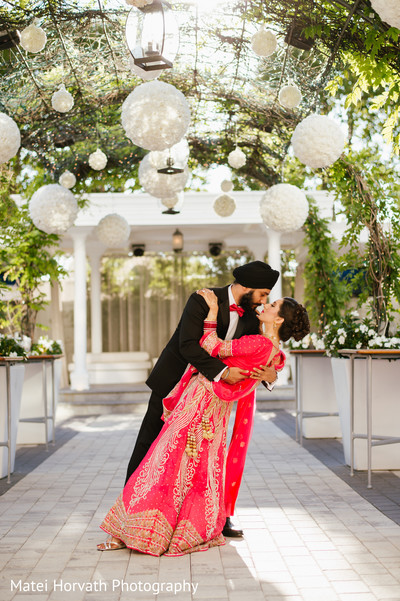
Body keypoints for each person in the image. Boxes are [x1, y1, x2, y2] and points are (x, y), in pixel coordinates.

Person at [97, 292, 310, 555]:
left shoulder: (257, 340)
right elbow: (268, 367)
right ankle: (179, 527)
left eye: (272, 303)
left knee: (163, 459)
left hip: (201, 399)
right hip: (218, 412)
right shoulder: (277, 355)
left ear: (278, 320)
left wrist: (210, 314)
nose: (265, 303)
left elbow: (213, 346)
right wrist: (272, 373)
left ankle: (138, 530)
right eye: (265, 296)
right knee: (197, 468)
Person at [124, 261, 280, 537]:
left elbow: (259, 352)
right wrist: (222, 372)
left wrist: (270, 375)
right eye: (263, 293)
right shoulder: (202, 299)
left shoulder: (253, 316)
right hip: (173, 380)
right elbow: (187, 344)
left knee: (208, 456)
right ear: (246, 287)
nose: (264, 300)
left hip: (211, 396)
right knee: (150, 446)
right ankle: (129, 513)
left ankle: (216, 515)